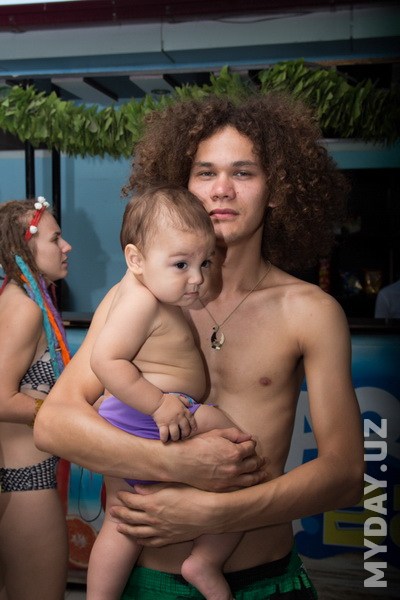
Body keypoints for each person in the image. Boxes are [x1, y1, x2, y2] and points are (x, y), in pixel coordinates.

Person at [35, 92, 364, 600]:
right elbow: (53, 424)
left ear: (278, 189)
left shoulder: (310, 312)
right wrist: (176, 464)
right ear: (183, 185)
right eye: (205, 172)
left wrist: (216, 511)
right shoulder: (135, 296)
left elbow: (345, 474)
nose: (221, 189)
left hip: (263, 582)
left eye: (243, 172)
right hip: (145, 582)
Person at [87, 185, 244, 600]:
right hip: (149, 412)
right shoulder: (140, 302)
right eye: (180, 264)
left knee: (123, 521)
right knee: (242, 458)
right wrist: (159, 404)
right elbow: (106, 361)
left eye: (205, 262)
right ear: (136, 260)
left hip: (137, 415)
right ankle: (205, 560)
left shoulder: (153, 296)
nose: (197, 278)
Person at [0, 197, 72, 600]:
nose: (66, 246)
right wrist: (63, 414)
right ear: (25, 247)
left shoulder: (27, 297)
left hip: (24, 480)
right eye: (55, 238)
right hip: (24, 483)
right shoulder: (24, 307)